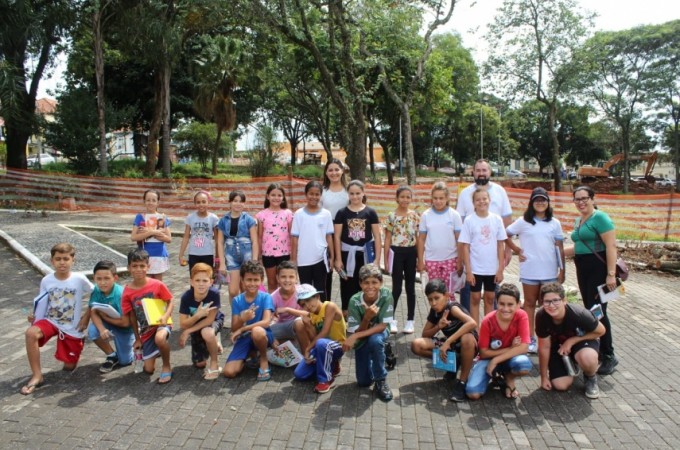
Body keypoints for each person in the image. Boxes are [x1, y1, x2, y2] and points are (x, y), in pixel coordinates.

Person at [21, 243, 93, 395]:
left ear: (73, 260)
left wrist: (86, 316)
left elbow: (96, 294)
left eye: (66, 259)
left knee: (69, 367)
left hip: (72, 327)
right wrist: (33, 316)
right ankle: (37, 375)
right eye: (58, 259)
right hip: (50, 321)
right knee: (30, 333)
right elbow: (42, 301)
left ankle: (76, 344)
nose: (62, 262)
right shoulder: (47, 280)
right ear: (52, 261)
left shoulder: (79, 279)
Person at [564, 186, 619, 375]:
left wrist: (610, 274)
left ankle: (609, 354)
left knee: (599, 312)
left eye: (584, 198)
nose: (581, 202)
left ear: (592, 198)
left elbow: (611, 246)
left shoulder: (600, 218)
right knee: (590, 310)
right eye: (577, 199)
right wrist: (553, 252)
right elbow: (578, 246)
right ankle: (595, 348)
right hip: (583, 269)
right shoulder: (579, 220)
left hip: (599, 269)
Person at [505, 187, 565, 353]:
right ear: (531, 202)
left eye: (543, 200)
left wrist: (563, 270)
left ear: (548, 202)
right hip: (530, 271)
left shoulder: (554, 223)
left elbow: (560, 247)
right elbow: (505, 234)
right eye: (537, 200)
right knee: (530, 304)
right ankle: (529, 339)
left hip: (549, 272)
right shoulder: (523, 221)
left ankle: (548, 339)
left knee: (548, 306)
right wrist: (516, 250)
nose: (540, 203)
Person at [456, 159, 513, 310]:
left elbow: (507, 222)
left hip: (493, 256)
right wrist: (460, 256)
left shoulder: (500, 191)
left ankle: (491, 329)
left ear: (490, 172)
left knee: (491, 295)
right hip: (472, 256)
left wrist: (509, 249)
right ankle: (468, 329)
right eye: (478, 170)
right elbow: (459, 226)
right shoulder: (464, 193)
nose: (481, 173)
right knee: (469, 295)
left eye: (484, 170)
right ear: (473, 172)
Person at [411, 279, 477, 402]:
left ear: (446, 295)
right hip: (451, 344)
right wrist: (438, 327)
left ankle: (462, 382)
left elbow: (472, 323)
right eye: (430, 299)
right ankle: (453, 363)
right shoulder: (435, 311)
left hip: (469, 345)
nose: (433, 303)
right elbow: (425, 334)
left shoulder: (452, 308)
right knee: (416, 345)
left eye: (437, 298)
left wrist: (447, 342)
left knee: (466, 339)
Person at [535, 283, 605, 399]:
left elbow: (601, 331)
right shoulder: (542, 316)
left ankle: (590, 376)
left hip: (582, 340)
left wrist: (572, 341)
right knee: (560, 385)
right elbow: (544, 347)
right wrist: (544, 377)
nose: (551, 305)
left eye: (556, 300)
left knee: (587, 358)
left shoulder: (579, 314)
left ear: (564, 300)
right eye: (547, 301)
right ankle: (571, 362)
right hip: (558, 347)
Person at [466, 283, 532, 400]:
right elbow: (483, 353)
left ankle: (509, 378)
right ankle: (491, 376)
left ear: (518, 304)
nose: (505, 309)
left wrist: (496, 360)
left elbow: (524, 348)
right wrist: (511, 348)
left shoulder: (522, 316)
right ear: (496, 302)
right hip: (488, 360)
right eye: (502, 304)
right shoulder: (488, 321)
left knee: (524, 364)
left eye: (510, 304)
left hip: (506, 359)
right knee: (472, 393)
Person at [121, 249, 174, 384]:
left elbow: (170, 300)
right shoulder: (127, 292)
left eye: (142, 266)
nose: (138, 269)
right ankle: (155, 350)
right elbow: (132, 316)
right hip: (145, 330)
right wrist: (137, 339)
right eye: (134, 266)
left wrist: (165, 316)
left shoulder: (157, 285)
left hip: (162, 324)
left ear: (148, 267)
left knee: (160, 338)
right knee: (148, 370)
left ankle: (166, 365)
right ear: (128, 268)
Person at [343, 264, 395, 402]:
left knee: (375, 340)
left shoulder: (386, 295)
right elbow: (358, 331)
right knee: (363, 382)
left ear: (381, 283)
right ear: (360, 284)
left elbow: (383, 326)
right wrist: (366, 318)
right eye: (366, 282)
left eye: (374, 282)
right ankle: (383, 351)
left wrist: (354, 336)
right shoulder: (354, 301)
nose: (370, 286)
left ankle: (381, 380)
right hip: (362, 336)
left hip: (378, 333)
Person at [459, 189, 507, 326]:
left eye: (484, 198)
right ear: (473, 203)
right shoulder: (469, 220)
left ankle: (488, 329)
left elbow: (500, 245)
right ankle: (475, 331)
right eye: (478, 199)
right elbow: (465, 247)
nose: (482, 202)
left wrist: (500, 269)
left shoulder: (496, 220)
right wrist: (468, 271)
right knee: (474, 298)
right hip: (475, 268)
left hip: (491, 268)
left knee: (490, 298)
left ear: (489, 200)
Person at [334, 180, 382, 318]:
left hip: (365, 254)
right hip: (346, 254)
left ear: (363, 193)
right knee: (347, 283)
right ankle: (348, 313)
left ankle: (366, 313)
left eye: (358, 193)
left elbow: (377, 237)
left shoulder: (370, 212)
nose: (355, 196)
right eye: (352, 193)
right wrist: (338, 259)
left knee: (366, 283)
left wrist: (377, 260)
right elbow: (337, 237)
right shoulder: (341, 213)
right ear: (347, 194)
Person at [223, 260, 275, 381]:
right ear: (242, 280)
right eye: (249, 279)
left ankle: (263, 358)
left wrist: (243, 327)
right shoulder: (237, 300)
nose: (252, 283)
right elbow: (234, 329)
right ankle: (250, 355)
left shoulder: (266, 297)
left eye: (256, 280)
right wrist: (242, 319)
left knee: (257, 331)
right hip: (245, 338)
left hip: (263, 334)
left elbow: (266, 322)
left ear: (261, 281)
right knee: (229, 372)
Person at [294, 284, 347, 394]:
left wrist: (308, 349)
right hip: (323, 346)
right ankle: (331, 366)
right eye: (303, 304)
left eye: (309, 300)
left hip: (339, 346)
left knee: (321, 343)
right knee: (299, 374)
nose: (307, 305)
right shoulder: (311, 316)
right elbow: (314, 338)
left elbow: (324, 332)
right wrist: (308, 326)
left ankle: (326, 380)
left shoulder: (329, 306)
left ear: (317, 297)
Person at [417, 181, 463, 304]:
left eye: (441, 198)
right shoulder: (426, 215)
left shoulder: (454, 215)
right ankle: (436, 320)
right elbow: (421, 239)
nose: (438, 201)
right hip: (432, 260)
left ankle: (451, 320)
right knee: (435, 294)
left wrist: (460, 261)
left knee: (449, 293)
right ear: (431, 198)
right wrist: (420, 261)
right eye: (435, 198)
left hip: (450, 260)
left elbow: (459, 240)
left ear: (447, 198)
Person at [178, 263, 224, 381]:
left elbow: (210, 319)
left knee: (207, 332)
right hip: (197, 323)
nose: (201, 284)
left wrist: (188, 331)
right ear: (191, 282)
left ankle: (214, 364)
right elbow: (183, 323)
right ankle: (214, 342)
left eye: (205, 280)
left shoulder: (214, 294)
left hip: (214, 320)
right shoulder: (186, 297)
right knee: (199, 364)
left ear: (211, 282)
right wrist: (197, 315)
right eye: (197, 280)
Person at [87, 260, 135, 373]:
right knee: (93, 331)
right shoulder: (96, 290)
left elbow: (125, 323)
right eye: (99, 279)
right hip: (109, 323)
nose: (103, 282)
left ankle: (139, 345)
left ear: (115, 278)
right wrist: (102, 329)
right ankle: (112, 355)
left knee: (125, 362)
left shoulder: (121, 294)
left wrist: (105, 318)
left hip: (125, 329)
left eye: (107, 278)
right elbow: (93, 311)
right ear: (94, 278)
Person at [384, 185, 420, 334]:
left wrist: (419, 258)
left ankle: (410, 320)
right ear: (397, 198)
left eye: (408, 197)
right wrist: (386, 260)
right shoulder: (392, 216)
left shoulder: (415, 216)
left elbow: (418, 238)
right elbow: (387, 238)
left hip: (411, 253)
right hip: (396, 252)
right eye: (402, 197)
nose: (405, 200)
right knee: (396, 288)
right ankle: (391, 319)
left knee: (410, 288)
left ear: (411, 199)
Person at [291, 181, 334, 299]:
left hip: (321, 259)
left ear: (320, 196)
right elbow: (295, 238)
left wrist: (332, 257)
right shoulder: (299, 214)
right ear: (306, 194)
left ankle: (323, 315)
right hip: (303, 260)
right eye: (311, 194)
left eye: (317, 194)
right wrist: (294, 260)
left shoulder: (326, 214)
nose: (314, 197)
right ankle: (307, 316)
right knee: (305, 291)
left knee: (321, 290)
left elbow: (329, 237)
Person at [217, 190, 259, 302]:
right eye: (235, 201)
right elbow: (220, 243)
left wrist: (254, 261)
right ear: (230, 202)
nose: (238, 204)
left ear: (244, 204)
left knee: (247, 289)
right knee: (233, 291)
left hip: (247, 258)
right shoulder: (223, 221)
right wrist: (222, 263)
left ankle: (247, 315)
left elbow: (255, 241)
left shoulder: (249, 220)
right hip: (231, 259)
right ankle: (236, 316)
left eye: (241, 201)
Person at [256, 183, 294, 292]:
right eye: (273, 195)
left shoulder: (288, 213)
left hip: (285, 253)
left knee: (284, 282)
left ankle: (285, 306)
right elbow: (259, 236)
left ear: (283, 197)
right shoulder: (261, 215)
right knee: (272, 283)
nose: (276, 198)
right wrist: (259, 255)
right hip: (268, 254)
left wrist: (293, 254)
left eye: (279, 195)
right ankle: (272, 307)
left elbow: (292, 234)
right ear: (267, 196)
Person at [321, 158, 349, 298]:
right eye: (330, 170)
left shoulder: (349, 191)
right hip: (326, 234)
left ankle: (346, 309)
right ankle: (327, 308)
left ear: (342, 171)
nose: (334, 173)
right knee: (327, 272)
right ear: (326, 173)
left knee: (345, 272)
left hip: (347, 233)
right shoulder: (321, 191)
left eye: (337, 169)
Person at [131, 189, 172, 281]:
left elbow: (169, 239)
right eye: (148, 200)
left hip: (159, 254)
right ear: (144, 201)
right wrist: (152, 232)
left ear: (158, 202)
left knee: (157, 284)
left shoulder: (162, 218)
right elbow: (133, 237)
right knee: (146, 283)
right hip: (144, 255)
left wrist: (148, 232)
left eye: (154, 200)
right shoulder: (140, 217)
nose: (151, 203)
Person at [178, 190, 219, 271]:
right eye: (198, 202)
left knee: (207, 280)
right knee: (194, 279)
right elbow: (186, 237)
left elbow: (217, 240)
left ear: (208, 202)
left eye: (204, 202)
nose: (201, 204)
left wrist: (217, 257)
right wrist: (181, 255)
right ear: (195, 204)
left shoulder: (213, 218)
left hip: (208, 254)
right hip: (193, 254)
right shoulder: (190, 218)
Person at [269, 261, 307, 346]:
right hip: (282, 327)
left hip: (299, 325)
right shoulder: (272, 297)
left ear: (296, 278)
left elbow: (309, 314)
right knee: (262, 332)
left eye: (291, 277)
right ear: (277, 278)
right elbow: (269, 320)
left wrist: (288, 310)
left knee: (300, 322)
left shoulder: (302, 292)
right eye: (283, 277)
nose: (287, 280)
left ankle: (306, 355)